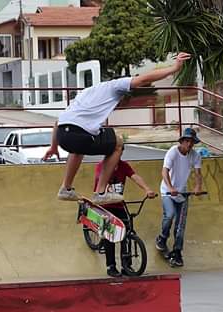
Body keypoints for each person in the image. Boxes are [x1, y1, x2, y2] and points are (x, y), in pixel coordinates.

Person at [43, 52, 192, 205]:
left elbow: (58, 121)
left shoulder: (86, 93)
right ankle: (100, 192)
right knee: (117, 143)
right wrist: (174, 68)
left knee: (80, 145)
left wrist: (53, 147)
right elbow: (144, 78)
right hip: (79, 133)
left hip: (63, 135)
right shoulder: (115, 86)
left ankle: (65, 188)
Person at [93, 158, 156, 277]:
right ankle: (111, 266)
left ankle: (126, 265)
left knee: (126, 231)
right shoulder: (102, 165)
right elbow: (98, 179)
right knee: (109, 234)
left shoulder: (123, 165)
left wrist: (147, 189)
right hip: (105, 205)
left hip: (119, 205)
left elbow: (135, 177)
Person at [155, 127, 204, 267]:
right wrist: (170, 188)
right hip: (167, 192)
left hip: (182, 194)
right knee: (169, 215)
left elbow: (198, 174)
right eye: (187, 141)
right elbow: (164, 172)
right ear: (182, 141)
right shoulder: (172, 152)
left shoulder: (195, 155)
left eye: (192, 142)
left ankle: (177, 252)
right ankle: (162, 238)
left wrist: (198, 187)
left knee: (180, 226)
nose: (189, 145)